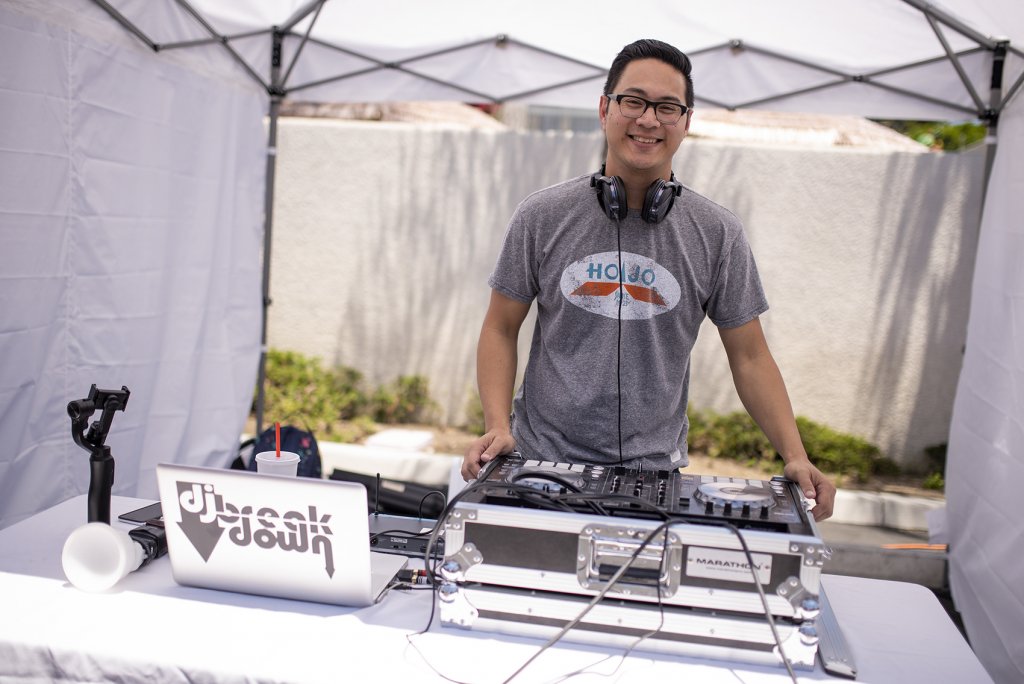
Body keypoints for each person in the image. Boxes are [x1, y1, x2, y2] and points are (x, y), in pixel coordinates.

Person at [462, 38, 835, 521]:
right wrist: (497, 425)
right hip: (539, 463)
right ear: (605, 108)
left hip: (654, 477)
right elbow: (499, 327)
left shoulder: (717, 232)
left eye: (666, 107)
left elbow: (750, 356)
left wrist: (796, 455)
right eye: (633, 101)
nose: (648, 119)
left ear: (686, 121)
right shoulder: (541, 215)